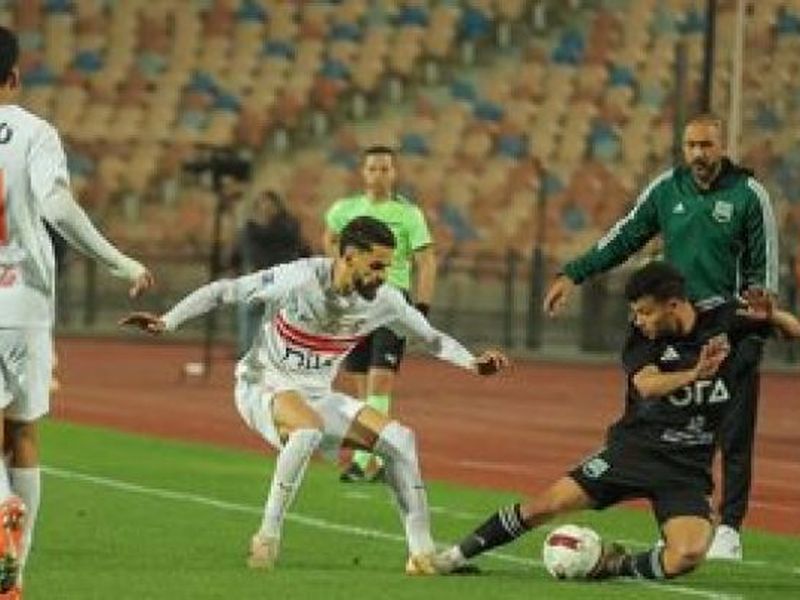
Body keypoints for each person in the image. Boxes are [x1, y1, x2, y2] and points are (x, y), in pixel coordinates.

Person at [120, 216, 508, 574]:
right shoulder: (299, 278)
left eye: (388, 267)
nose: (382, 276)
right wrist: (168, 321)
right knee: (308, 429)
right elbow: (226, 291)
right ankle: (267, 537)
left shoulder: (386, 300)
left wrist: (473, 363)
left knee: (400, 441)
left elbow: (431, 338)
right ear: (349, 256)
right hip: (263, 384)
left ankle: (421, 555)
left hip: (317, 395)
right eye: (376, 266)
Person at [434, 262, 798, 580]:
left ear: (673, 305)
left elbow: (792, 331)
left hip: (686, 469)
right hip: (632, 452)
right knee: (544, 505)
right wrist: (694, 374)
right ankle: (451, 558)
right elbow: (647, 384)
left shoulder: (726, 320)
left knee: (687, 555)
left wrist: (773, 317)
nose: (639, 320)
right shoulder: (642, 337)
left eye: (645, 312)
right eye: (635, 312)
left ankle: (611, 566)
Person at [543, 113, 779, 560]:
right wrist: (574, 273)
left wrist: (753, 331)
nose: (698, 154)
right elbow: (625, 236)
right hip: (670, 332)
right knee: (654, 423)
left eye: (706, 145)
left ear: (722, 146)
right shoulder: (666, 189)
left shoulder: (750, 195)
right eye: (691, 145)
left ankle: (729, 527)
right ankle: (673, 519)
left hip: (726, 331)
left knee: (733, 431)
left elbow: (763, 273)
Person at [0, 26, 154, 596]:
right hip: (25, 301)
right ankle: (15, 576)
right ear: (14, 76)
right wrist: (119, 261)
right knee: (23, 429)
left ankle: (0, 507)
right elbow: (58, 208)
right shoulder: (35, 133)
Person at [323, 145, 437, 483]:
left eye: (385, 168)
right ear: (363, 173)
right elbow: (329, 238)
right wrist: (341, 274)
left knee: (380, 381)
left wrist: (422, 308)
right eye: (372, 168)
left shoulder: (408, 214)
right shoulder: (345, 209)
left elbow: (426, 261)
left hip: (392, 301)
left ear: (394, 173)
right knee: (362, 387)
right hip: (355, 303)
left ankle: (362, 460)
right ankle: (376, 460)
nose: (378, 174)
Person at [230, 190, 309, 355]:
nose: (266, 208)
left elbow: (301, 251)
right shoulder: (250, 229)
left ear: (278, 207)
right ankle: (249, 353)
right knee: (251, 315)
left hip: (281, 280)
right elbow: (238, 254)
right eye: (262, 204)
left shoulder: (287, 227)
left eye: (269, 204)